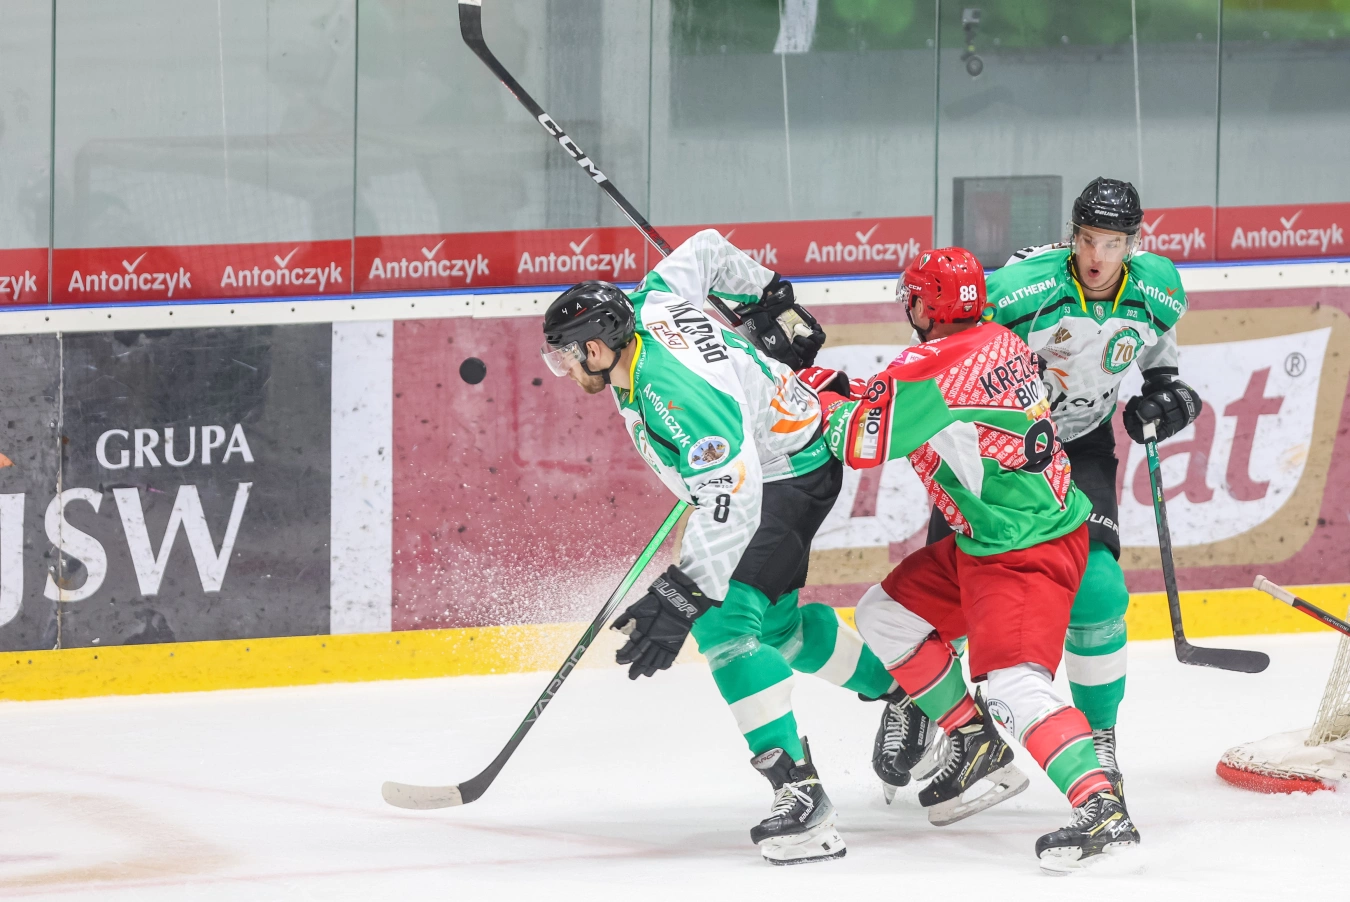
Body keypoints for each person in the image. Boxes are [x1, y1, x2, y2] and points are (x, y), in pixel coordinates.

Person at [539, 229, 905, 865]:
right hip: (779, 457)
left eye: (566, 357)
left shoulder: (673, 393)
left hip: (783, 474)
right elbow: (707, 250)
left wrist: (688, 592)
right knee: (780, 630)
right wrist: (766, 297)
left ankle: (801, 798)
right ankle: (908, 693)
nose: (564, 370)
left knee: (724, 623)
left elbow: (733, 493)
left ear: (596, 348)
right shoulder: (650, 301)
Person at [813, 247, 1140, 871]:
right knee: (885, 614)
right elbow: (903, 399)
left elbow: (857, 441)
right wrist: (841, 387)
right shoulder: (999, 340)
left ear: (925, 305)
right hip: (994, 539)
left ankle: (1101, 808)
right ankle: (972, 740)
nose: (908, 308)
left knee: (1017, 687)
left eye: (913, 298)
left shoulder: (928, 366)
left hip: (1023, 553)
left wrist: (810, 392)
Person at [926, 177, 1202, 798]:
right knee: (947, 594)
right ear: (1072, 235)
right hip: (993, 450)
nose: (1098, 257)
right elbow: (948, 349)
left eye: (1112, 243)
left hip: (1079, 444)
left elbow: (1157, 354)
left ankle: (1098, 737)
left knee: (1099, 589)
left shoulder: (1157, 287)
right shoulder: (1022, 288)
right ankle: (929, 715)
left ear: (1133, 243)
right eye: (1088, 239)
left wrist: (1169, 393)